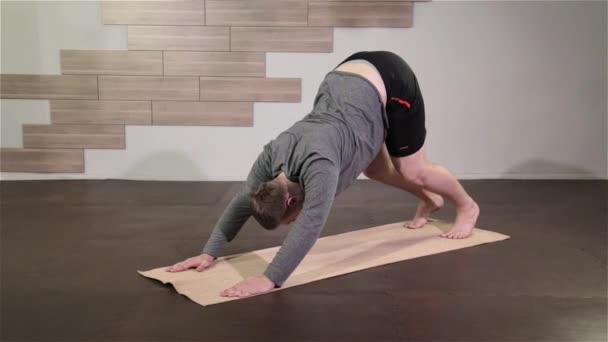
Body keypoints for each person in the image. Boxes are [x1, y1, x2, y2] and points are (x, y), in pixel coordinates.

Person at [166, 51, 480, 298]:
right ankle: (429, 199)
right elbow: (240, 202)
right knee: (376, 168)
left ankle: (466, 207)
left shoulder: (321, 167)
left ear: (290, 200)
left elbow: (310, 225)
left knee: (413, 168)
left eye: (287, 219)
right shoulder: (271, 157)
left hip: (391, 79)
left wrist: (269, 278)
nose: (291, 224)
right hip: (347, 76)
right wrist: (209, 253)